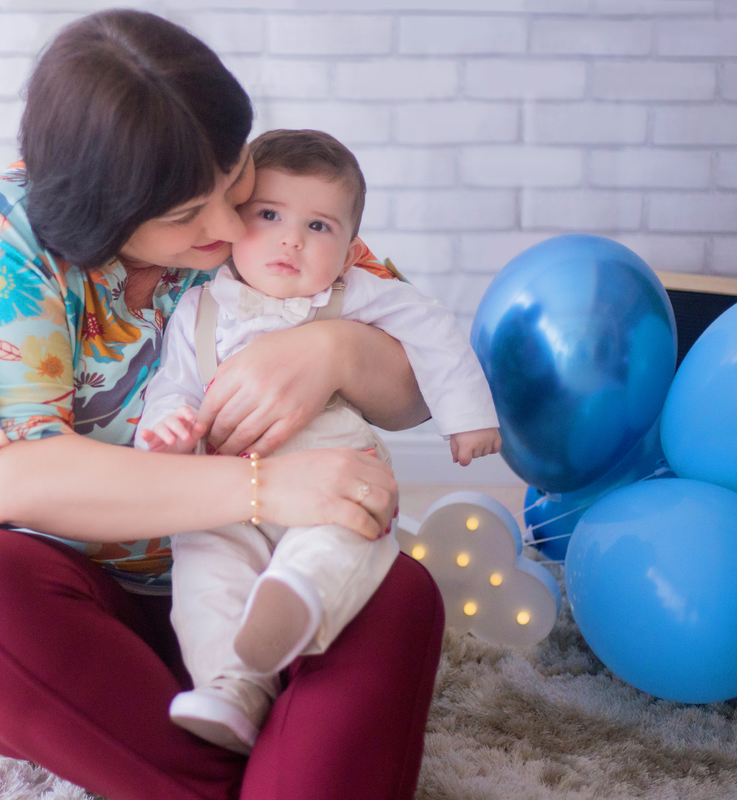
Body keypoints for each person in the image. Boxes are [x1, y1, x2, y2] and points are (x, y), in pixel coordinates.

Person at [0, 10, 445, 800]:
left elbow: (417, 394)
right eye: (189, 217)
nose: (230, 226)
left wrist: (335, 350)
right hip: (90, 620)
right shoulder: (2, 240)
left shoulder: (260, 188)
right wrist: (264, 487)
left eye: (233, 187)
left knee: (399, 592)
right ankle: (264, 768)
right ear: (104, 215)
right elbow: (15, 478)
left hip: (267, 586)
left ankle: (233, 751)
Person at [135, 129, 501, 755]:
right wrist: (164, 432)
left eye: (319, 227)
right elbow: (174, 389)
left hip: (330, 471)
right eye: (269, 215)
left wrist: (466, 417)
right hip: (226, 490)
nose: (291, 239)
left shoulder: (352, 293)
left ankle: (299, 600)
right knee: (204, 568)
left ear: (351, 247)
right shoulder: (198, 308)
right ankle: (230, 685)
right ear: (230, 225)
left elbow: (434, 329)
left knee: (345, 534)